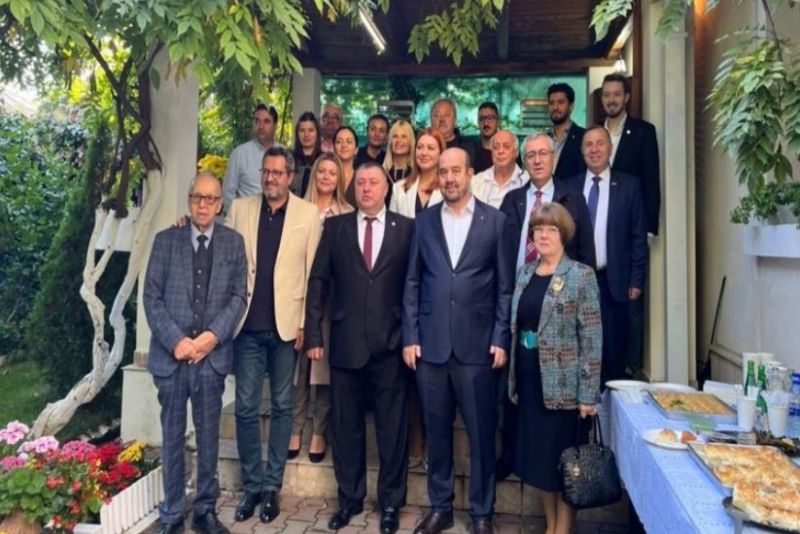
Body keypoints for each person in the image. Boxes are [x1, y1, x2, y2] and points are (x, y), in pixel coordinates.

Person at [403, 148, 514, 534]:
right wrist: (410, 335)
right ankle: (441, 506)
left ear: (469, 174)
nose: (449, 178)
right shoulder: (424, 222)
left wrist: (501, 336)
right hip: (430, 346)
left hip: (478, 347)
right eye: (443, 172)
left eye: (455, 171)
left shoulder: (495, 222)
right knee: (436, 432)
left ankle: (482, 513)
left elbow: (504, 287)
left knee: (481, 435)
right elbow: (412, 281)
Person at [305, 161, 414, 534]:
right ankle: (349, 500)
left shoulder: (406, 229)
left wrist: (410, 337)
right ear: (354, 189)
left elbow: (412, 285)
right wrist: (314, 335)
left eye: (373, 182)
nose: (366, 188)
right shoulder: (335, 228)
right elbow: (318, 281)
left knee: (392, 430)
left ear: (386, 188)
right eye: (361, 182)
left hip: (390, 344)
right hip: (346, 343)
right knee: (345, 427)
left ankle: (390, 503)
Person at [144, 172, 247, 534]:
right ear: (189, 201)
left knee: (208, 438)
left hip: (210, 359)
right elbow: (151, 297)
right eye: (197, 197)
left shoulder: (234, 243)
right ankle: (172, 514)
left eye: (210, 199)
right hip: (171, 359)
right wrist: (177, 341)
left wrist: (211, 337)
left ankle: (204, 510)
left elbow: (239, 297)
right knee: (172, 437)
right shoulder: (165, 241)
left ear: (220, 204)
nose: (203, 204)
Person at [225, 146, 322, 524]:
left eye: (278, 173)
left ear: (291, 176)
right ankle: (251, 486)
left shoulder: (308, 214)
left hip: (287, 328)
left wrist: (305, 325)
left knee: (283, 407)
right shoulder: (240, 209)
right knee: (246, 408)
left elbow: (312, 275)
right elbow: (225, 256)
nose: (270, 178)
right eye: (266, 172)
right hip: (247, 326)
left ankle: (271, 487)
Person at [496, 132, 595, 481]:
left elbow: (585, 252)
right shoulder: (512, 201)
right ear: (524, 161)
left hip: (561, 311)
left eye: (543, 153)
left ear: (554, 157)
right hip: (520, 300)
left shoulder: (573, 198)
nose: (537, 160)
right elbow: (500, 254)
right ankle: (512, 455)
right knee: (516, 391)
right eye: (531, 155)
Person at [508, 202, 602, 534]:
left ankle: (563, 530)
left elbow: (591, 338)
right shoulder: (525, 273)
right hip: (530, 381)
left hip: (564, 388)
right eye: (538, 229)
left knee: (564, 464)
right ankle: (551, 525)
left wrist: (587, 394)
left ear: (564, 235)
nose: (544, 235)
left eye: (551, 230)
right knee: (540, 464)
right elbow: (518, 327)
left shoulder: (580, 275)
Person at [565, 126, 647, 384]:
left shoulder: (629, 186)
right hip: (576, 282)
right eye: (588, 144)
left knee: (613, 353)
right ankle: (584, 408)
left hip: (614, 282)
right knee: (579, 349)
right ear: (581, 151)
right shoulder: (569, 187)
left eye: (600, 143)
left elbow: (638, 236)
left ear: (610, 148)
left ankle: (609, 405)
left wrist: (636, 280)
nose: (594, 149)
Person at [289, 153, 354, 464]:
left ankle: (319, 430)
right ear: (314, 175)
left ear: (339, 179)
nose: (326, 177)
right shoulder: (296, 209)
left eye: (332, 172)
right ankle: (296, 426)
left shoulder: (347, 213)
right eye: (322, 171)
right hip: (296, 293)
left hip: (330, 299)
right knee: (299, 367)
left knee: (323, 366)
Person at [600, 73, 660, 376]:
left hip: (629, 228)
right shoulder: (594, 134)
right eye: (606, 95)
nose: (611, 100)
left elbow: (651, 179)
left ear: (626, 98)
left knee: (631, 301)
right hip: (599, 229)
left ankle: (629, 368)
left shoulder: (643, 132)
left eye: (616, 94)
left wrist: (649, 228)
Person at [223, 103, 282, 213]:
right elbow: (228, 193)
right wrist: (237, 218)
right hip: (245, 218)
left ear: (275, 126)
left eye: (266, 121)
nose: (261, 126)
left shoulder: (285, 154)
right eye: (257, 121)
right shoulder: (239, 154)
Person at [389, 127, 445, 218]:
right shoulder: (398, 188)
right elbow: (392, 225)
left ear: (441, 153)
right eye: (419, 147)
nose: (424, 153)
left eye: (430, 148)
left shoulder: (448, 188)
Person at [470, 129, 526, 208]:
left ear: (516, 152)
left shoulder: (527, 180)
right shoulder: (477, 181)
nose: (500, 151)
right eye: (496, 147)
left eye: (506, 147)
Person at [547, 83, 586, 182]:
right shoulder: (543, 139)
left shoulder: (584, 137)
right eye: (551, 103)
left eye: (560, 102)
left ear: (571, 106)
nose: (555, 107)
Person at [430, 98, 476, 164]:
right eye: (437, 115)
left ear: (455, 119)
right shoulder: (425, 145)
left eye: (447, 115)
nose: (442, 119)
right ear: (431, 120)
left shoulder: (468, 145)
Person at [383, 119, 415, 207]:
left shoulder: (417, 174)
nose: (398, 140)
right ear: (390, 142)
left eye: (404, 136)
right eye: (395, 136)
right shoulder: (381, 173)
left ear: (411, 142)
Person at [291, 111, 322, 197]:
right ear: (297, 134)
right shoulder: (288, 158)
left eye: (311, 130)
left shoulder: (324, 159)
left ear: (317, 133)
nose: (306, 134)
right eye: (302, 130)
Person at [334, 126, 359, 207]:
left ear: (356, 150)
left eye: (349, 142)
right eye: (339, 142)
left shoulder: (361, 178)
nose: (344, 145)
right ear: (334, 148)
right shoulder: (326, 176)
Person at [474, 102, 500, 174]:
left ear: (498, 121)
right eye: (481, 119)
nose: (486, 123)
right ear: (477, 122)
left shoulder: (507, 151)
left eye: (490, 118)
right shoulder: (471, 150)